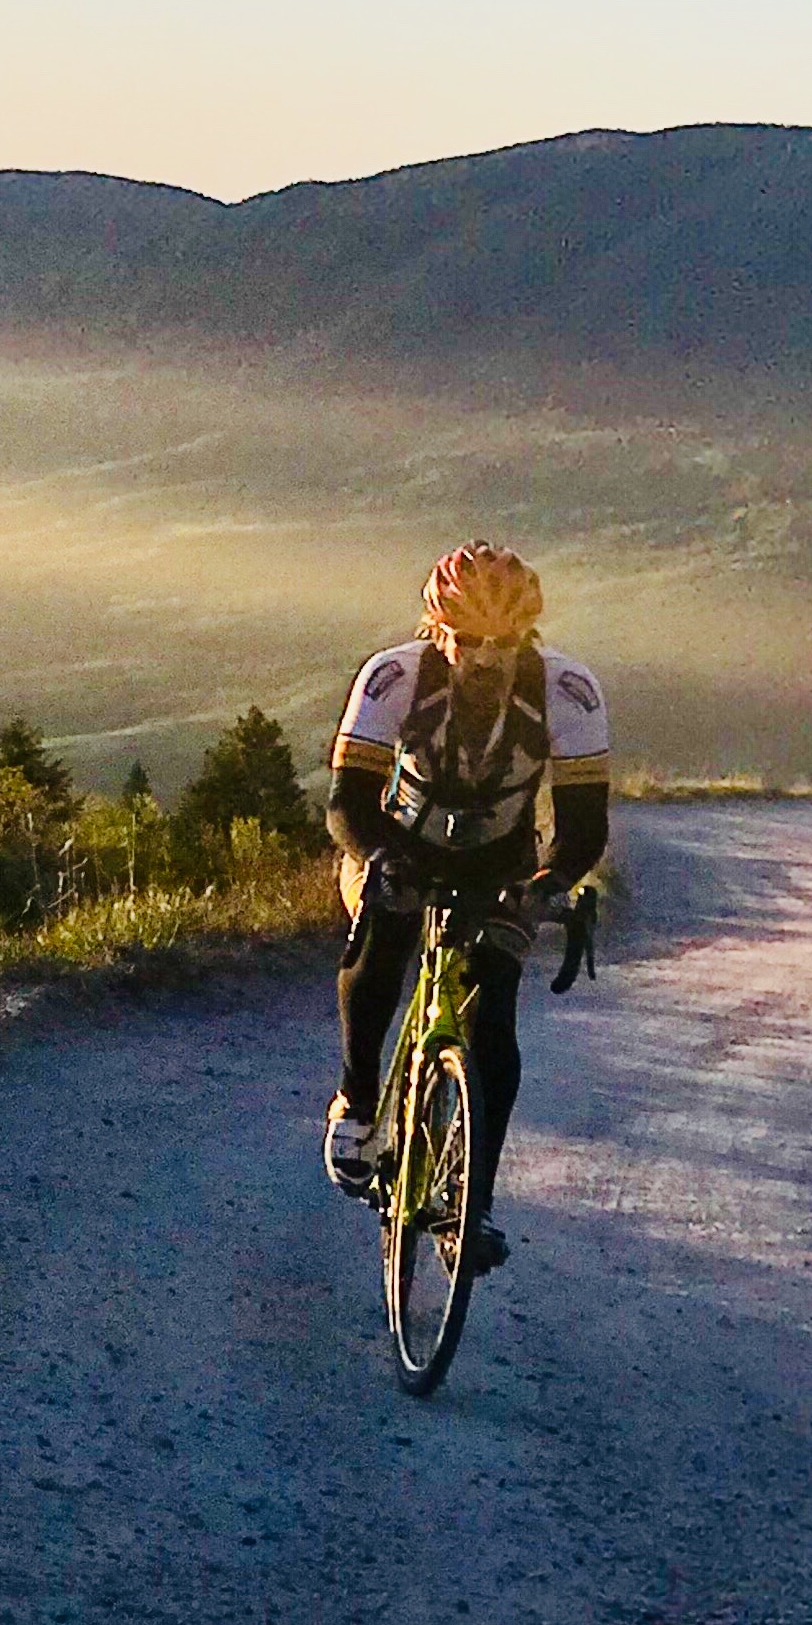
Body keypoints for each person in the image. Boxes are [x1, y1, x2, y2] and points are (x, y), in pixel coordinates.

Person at [317, 542, 610, 1267]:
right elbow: (348, 805)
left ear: (528, 637)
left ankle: (470, 1209)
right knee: (384, 933)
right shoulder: (395, 676)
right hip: (399, 837)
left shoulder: (566, 690)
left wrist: (547, 892)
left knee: (494, 1015)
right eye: (468, 641)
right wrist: (381, 858)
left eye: (502, 643)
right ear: (436, 628)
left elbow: (582, 831)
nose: (483, 658)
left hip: (501, 858)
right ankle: (356, 1103)